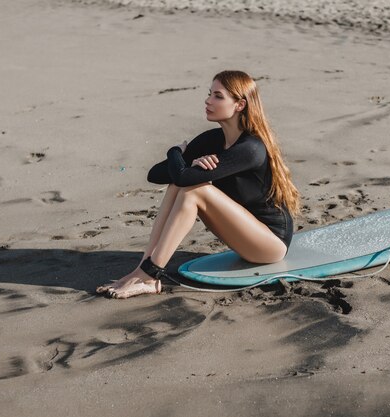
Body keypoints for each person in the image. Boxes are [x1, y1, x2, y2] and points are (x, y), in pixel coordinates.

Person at [96, 70, 300, 299]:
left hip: (270, 243)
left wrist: (176, 153)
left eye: (218, 96)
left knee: (194, 191)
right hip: (242, 234)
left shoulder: (250, 149)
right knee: (177, 187)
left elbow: (184, 177)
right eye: (209, 94)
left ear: (240, 104)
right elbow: (156, 175)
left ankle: (151, 276)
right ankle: (141, 269)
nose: (208, 100)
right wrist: (185, 160)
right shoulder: (212, 140)